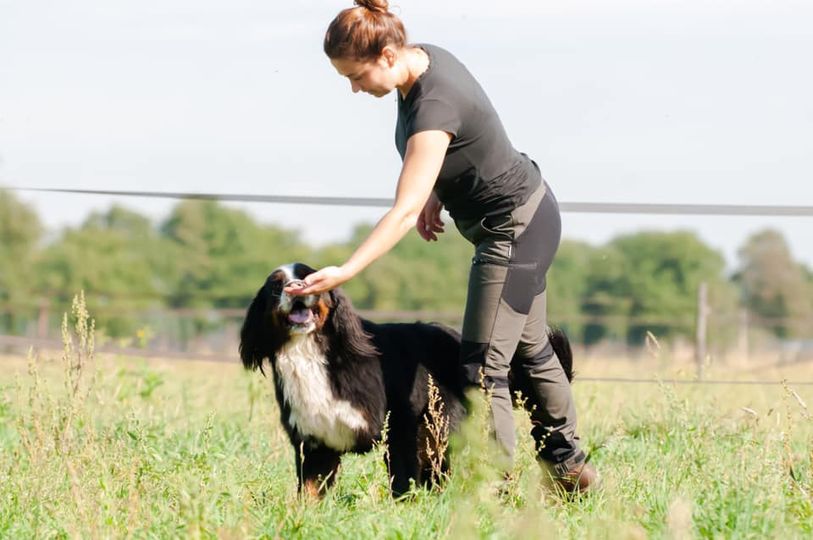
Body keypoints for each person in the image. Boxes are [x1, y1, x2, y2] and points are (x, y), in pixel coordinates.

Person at [285, 0, 598, 493]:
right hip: (522, 217)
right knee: (532, 350)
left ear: (387, 55)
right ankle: (571, 473)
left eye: (356, 76)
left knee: (482, 366)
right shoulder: (419, 67)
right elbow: (451, 148)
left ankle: (494, 490)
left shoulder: (432, 101)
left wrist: (345, 271)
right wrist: (437, 190)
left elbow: (402, 211)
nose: (353, 88)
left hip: (515, 228)